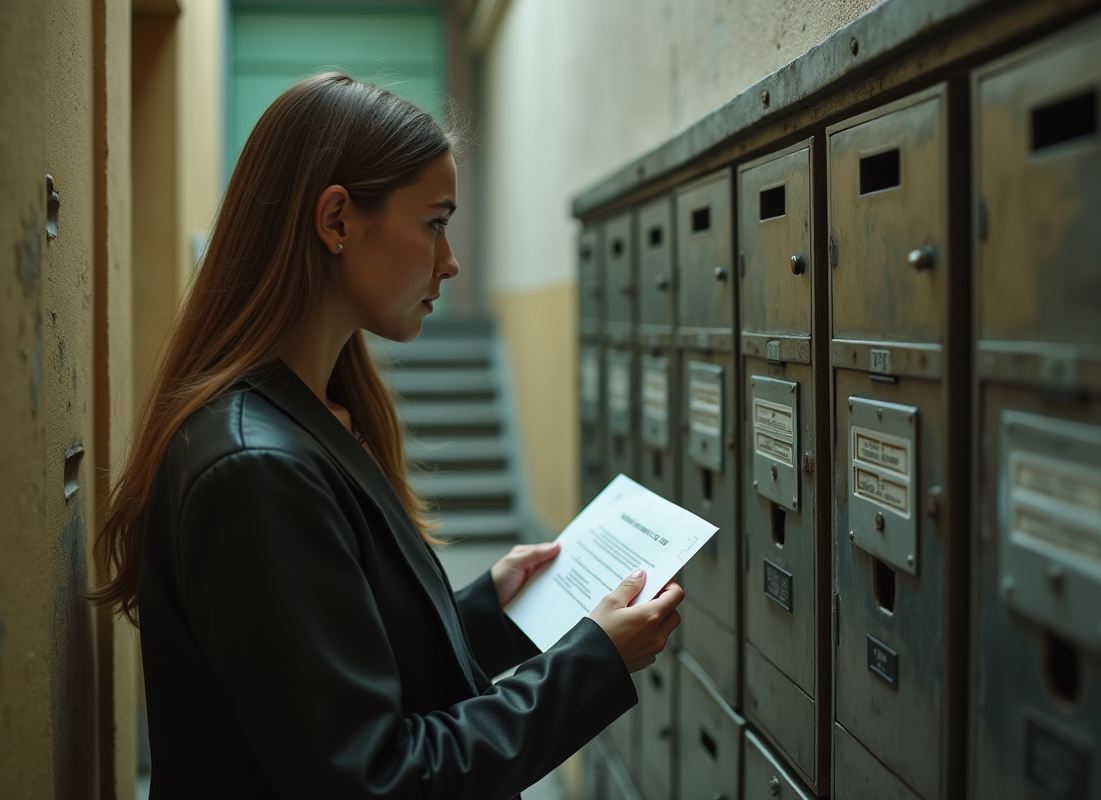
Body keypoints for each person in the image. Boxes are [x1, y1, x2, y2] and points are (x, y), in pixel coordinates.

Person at [90, 73, 684, 799]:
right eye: (435, 223)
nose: (451, 261)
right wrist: (595, 663)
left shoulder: (313, 414)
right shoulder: (256, 467)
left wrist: (488, 612)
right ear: (336, 220)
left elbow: (339, 659)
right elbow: (375, 778)